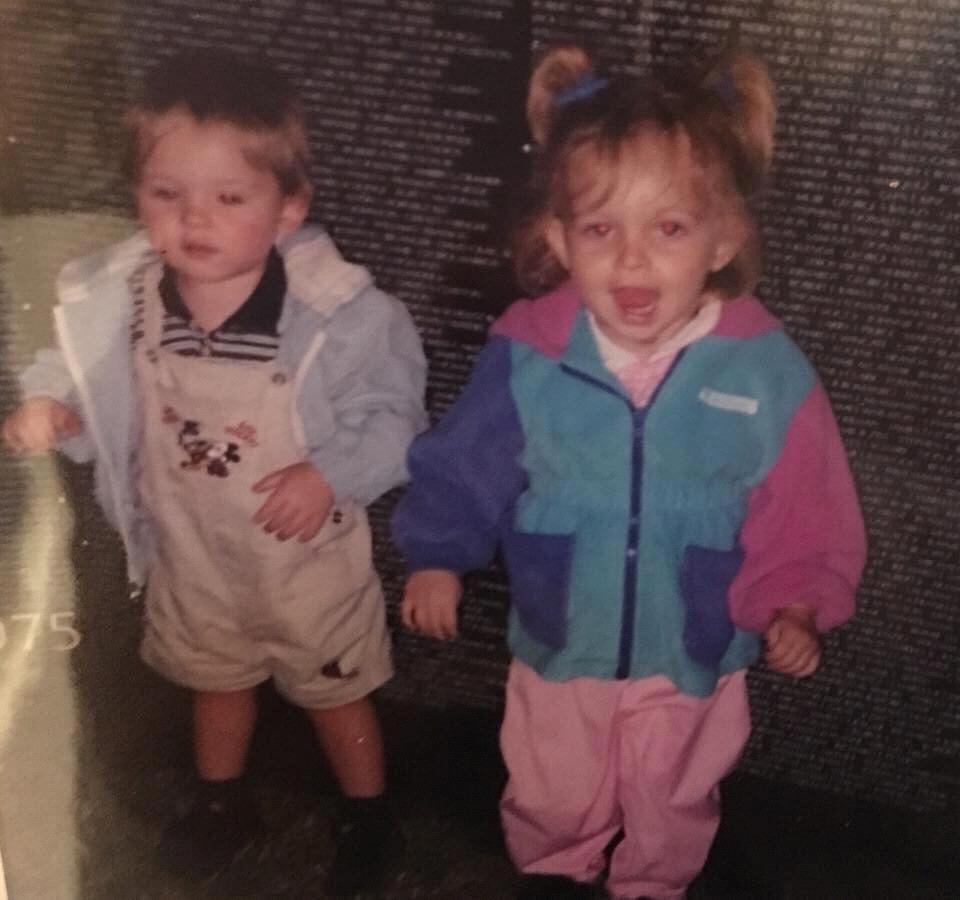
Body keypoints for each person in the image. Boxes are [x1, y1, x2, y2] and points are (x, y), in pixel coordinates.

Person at [391, 44, 866, 900]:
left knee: (674, 790)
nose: (633, 262)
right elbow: (467, 461)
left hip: (693, 641)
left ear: (723, 240)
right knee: (550, 781)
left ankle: (653, 883)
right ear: (557, 240)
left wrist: (794, 602)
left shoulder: (765, 369)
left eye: (670, 228)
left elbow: (805, 506)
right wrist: (438, 551)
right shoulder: (529, 351)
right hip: (561, 629)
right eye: (601, 229)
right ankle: (554, 870)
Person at [2, 50, 426, 896]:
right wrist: (58, 410)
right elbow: (82, 376)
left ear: (287, 208)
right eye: (168, 195)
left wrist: (329, 474)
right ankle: (221, 802)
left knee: (334, 694)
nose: (195, 219)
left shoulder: (338, 316)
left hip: (304, 563)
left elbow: (395, 418)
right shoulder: (123, 299)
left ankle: (367, 811)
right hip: (191, 550)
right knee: (214, 686)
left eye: (229, 198)